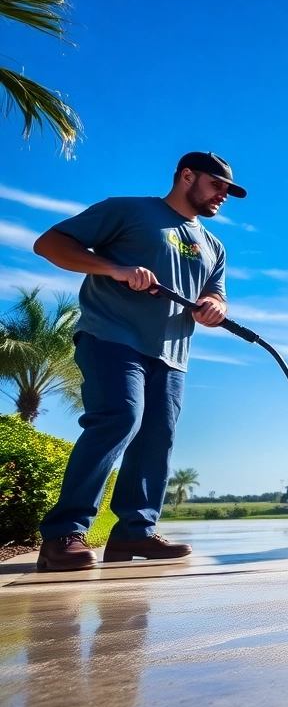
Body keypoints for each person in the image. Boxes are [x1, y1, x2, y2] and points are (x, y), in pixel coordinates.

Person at [31, 152, 242, 571]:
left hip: (172, 354)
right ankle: (63, 534)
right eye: (217, 185)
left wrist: (212, 308)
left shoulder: (214, 246)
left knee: (156, 437)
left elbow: (216, 294)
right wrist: (115, 268)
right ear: (187, 176)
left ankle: (133, 534)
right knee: (119, 418)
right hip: (111, 337)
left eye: (227, 190)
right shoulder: (129, 210)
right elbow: (49, 244)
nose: (223, 195)